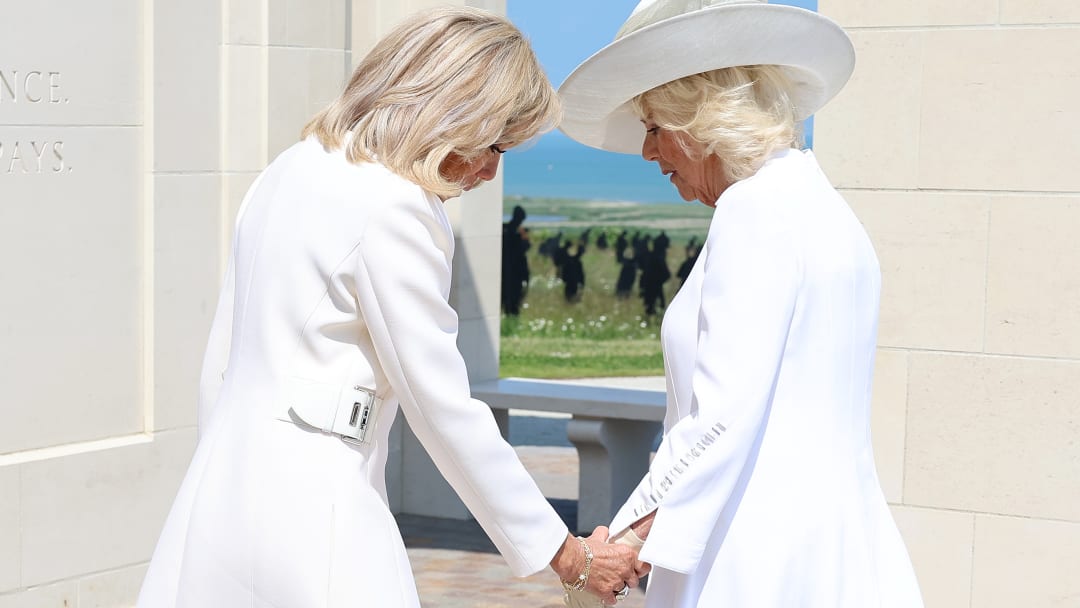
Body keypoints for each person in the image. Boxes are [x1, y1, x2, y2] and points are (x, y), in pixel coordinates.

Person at [136, 7, 642, 608]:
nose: (490, 169)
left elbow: (221, 358)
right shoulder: (395, 206)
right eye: (495, 142)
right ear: (453, 110)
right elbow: (443, 406)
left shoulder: (288, 168)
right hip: (320, 508)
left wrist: (221, 466)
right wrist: (565, 553)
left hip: (221, 488)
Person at [558, 0, 924, 606]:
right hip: (836, 548)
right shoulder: (824, 206)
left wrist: (622, 539)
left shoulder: (753, 209)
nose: (648, 154)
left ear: (700, 119)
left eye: (653, 129)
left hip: (753, 555)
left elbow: (719, 417)